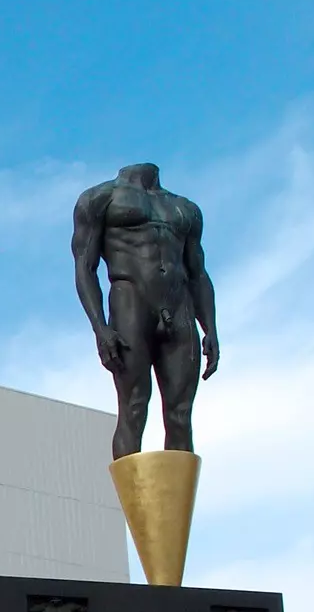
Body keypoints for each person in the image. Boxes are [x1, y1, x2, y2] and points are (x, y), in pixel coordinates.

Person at [72, 163, 220, 457]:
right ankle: (131, 502)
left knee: (180, 415)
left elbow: (198, 273)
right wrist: (101, 329)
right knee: (134, 407)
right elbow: (84, 267)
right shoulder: (99, 198)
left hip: (179, 308)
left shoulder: (185, 209)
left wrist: (211, 328)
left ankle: (173, 502)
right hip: (131, 302)